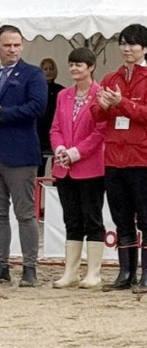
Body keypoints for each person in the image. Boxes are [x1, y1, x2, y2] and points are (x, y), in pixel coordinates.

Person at [91, 24, 147, 293]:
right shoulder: (111, 77)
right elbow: (96, 114)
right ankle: (126, 273)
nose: (127, 49)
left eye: (133, 44)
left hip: (142, 158)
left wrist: (120, 103)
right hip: (114, 157)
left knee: (146, 217)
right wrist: (102, 106)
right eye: (123, 43)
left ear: (145, 48)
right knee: (121, 218)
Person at [49, 47, 108, 288]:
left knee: (92, 219)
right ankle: (71, 271)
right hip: (64, 168)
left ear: (91, 67)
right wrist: (60, 149)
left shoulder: (100, 94)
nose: (74, 68)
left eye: (79, 64)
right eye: (71, 64)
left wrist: (76, 152)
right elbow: (55, 128)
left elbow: (100, 132)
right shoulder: (63, 95)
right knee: (71, 219)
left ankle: (93, 272)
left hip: (90, 168)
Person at [0, 25, 48, 287]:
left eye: (16, 45)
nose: (12, 50)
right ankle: (2, 266)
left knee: (25, 213)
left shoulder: (33, 73)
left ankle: (30, 267)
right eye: (7, 45)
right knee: (0, 214)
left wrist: (5, 113)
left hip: (20, 153)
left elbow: (38, 106)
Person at [37, 58, 65, 176]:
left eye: (51, 69)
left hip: (56, 133)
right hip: (40, 134)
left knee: (57, 170)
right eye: (45, 69)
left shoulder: (61, 90)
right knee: (39, 171)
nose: (48, 72)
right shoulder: (36, 89)